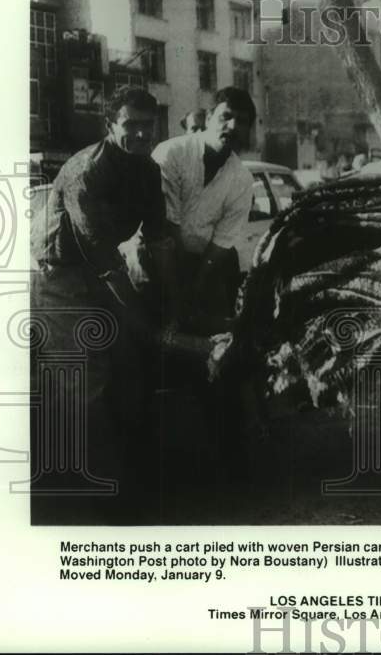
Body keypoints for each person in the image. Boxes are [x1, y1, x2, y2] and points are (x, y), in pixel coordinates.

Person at [30, 87, 180, 520]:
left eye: (146, 127)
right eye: (130, 125)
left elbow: (161, 242)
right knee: (85, 387)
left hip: (101, 272)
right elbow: (105, 262)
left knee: (131, 369)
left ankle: (133, 476)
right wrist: (149, 324)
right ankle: (98, 501)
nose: (139, 134)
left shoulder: (148, 171)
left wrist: (175, 307)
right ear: (111, 125)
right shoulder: (87, 171)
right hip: (61, 276)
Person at [151, 87, 256, 332]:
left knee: (217, 340)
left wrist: (194, 290)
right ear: (208, 118)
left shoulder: (242, 179)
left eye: (241, 121)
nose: (231, 126)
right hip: (155, 258)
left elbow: (221, 243)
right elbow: (166, 225)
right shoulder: (172, 153)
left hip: (200, 266)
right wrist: (178, 295)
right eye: (225, 116)